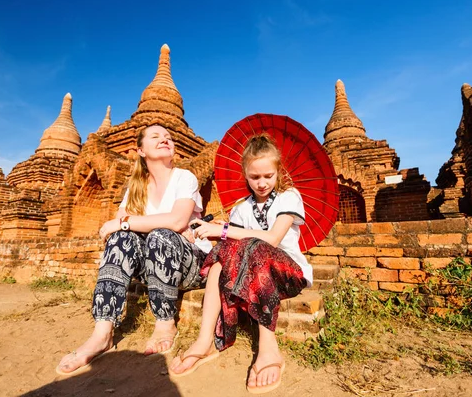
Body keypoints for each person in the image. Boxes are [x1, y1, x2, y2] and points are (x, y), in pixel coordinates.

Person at [56, 124, 211, 375]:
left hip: (191, 264)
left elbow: (175, 222)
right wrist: (131, 224)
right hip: (151, 264)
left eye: (168, 137)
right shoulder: (136, 187)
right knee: (121, 241)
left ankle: (165, 322)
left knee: (161, 235)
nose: (165, 139)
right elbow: (118, 231)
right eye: (156, 136)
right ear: (140, 150)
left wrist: (130, 222)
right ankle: (102, 333)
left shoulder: (185, 177)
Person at [169, 134, 312, 394]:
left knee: (256, 246)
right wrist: (203, 231)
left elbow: (272, 238)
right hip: (248, 272)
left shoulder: (288, 197)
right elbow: (229, 244)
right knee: (222, 256)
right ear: (245, 174)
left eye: (268, 176)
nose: (262, 183)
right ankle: (205, 341)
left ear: (277, 171)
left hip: (285, 272)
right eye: (254, 177)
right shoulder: (240, 208)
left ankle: (268, 348)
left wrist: (222, 230)